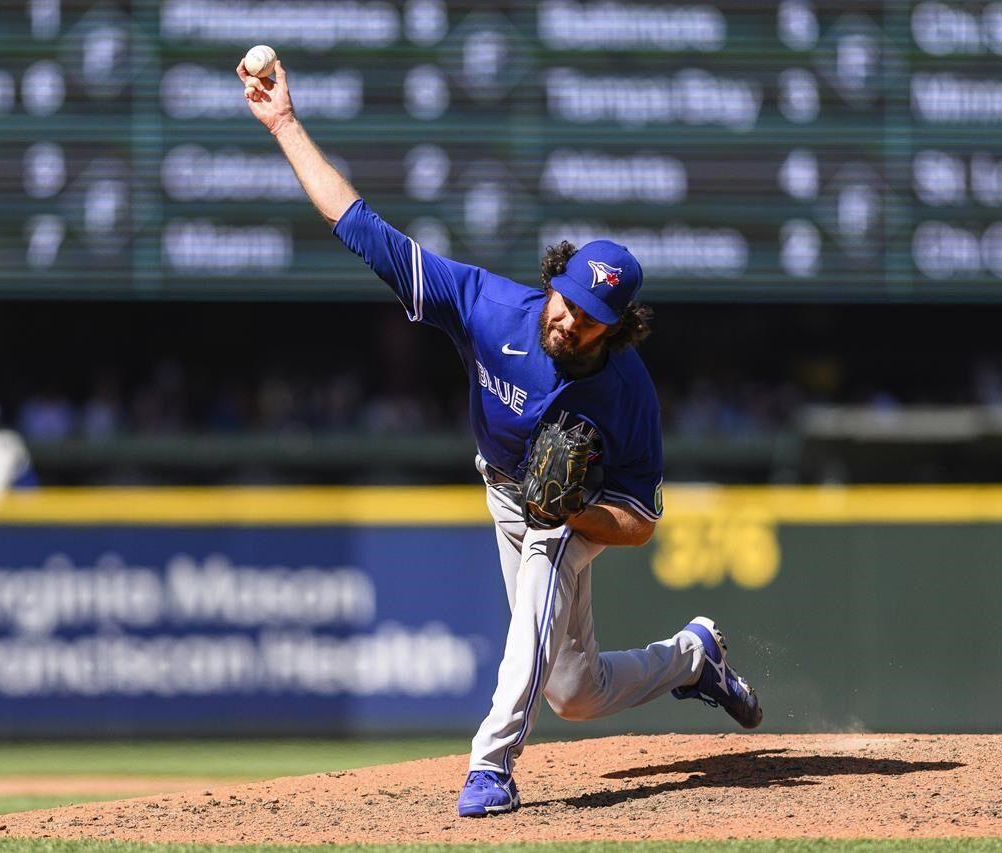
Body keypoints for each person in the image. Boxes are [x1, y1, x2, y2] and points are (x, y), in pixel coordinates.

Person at [239, 58, 762, 817]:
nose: (568, 318)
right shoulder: (488, 306)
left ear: (617, 330)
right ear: (554, 279)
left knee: (539, 591)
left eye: (588, 316)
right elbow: (361, 229)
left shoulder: (627, 392)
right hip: (501, 485)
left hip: (568, 514)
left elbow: (642, 522)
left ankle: (491, 766)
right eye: (567, 298)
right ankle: (693, 656)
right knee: (575, 691)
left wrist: (573, 508)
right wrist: (285, 123)